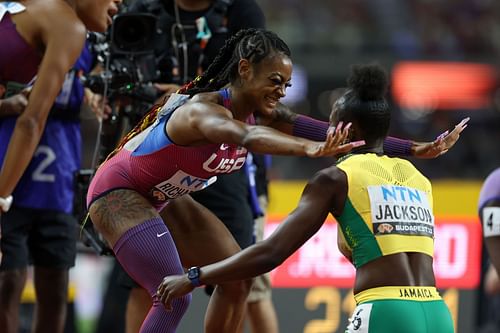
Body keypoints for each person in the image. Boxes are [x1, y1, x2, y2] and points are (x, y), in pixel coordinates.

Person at [86, 28, 365, 333]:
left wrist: (409, 149)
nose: (282, 92)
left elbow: (334, 132)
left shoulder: (261, 111)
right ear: (244, 69)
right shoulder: (202, 112)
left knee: (238, 278)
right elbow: (247, 136)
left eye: (286, 84)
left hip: (162, 196)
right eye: (275, 81)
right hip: (119, 192)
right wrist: (310, 149)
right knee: (173, 298)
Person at [157, 63, 469, 333]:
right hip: (439, 312)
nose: (325, 130)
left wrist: (195, 277)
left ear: (347, 128)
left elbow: (271, 253)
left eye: (332, 121)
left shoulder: (335, 178)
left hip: (386, 310)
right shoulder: (419, 179)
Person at [0, 1, 120, 332]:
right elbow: (30, 122)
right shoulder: (63, 26)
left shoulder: (85, 43)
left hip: (58, 181)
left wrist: (95, 93)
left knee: (55, 288)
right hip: (11, 170)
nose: (117, 5)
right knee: (6, 283)